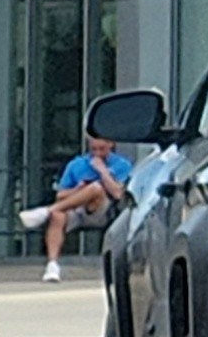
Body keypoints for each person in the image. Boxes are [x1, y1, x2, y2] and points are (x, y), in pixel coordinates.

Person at [23, 112, 139, 280]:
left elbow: (118, 193)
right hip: (76, 210)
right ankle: (52, 265)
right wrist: (78, 190)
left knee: (96, 188)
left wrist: (102, 170)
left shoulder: (121, 164)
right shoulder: (76, 164)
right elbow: (61, 195)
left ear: (111, 144)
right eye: (94, 149)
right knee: (58, 215)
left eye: (102, 149)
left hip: (103, 210)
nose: (98, 153)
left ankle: (45, 212)